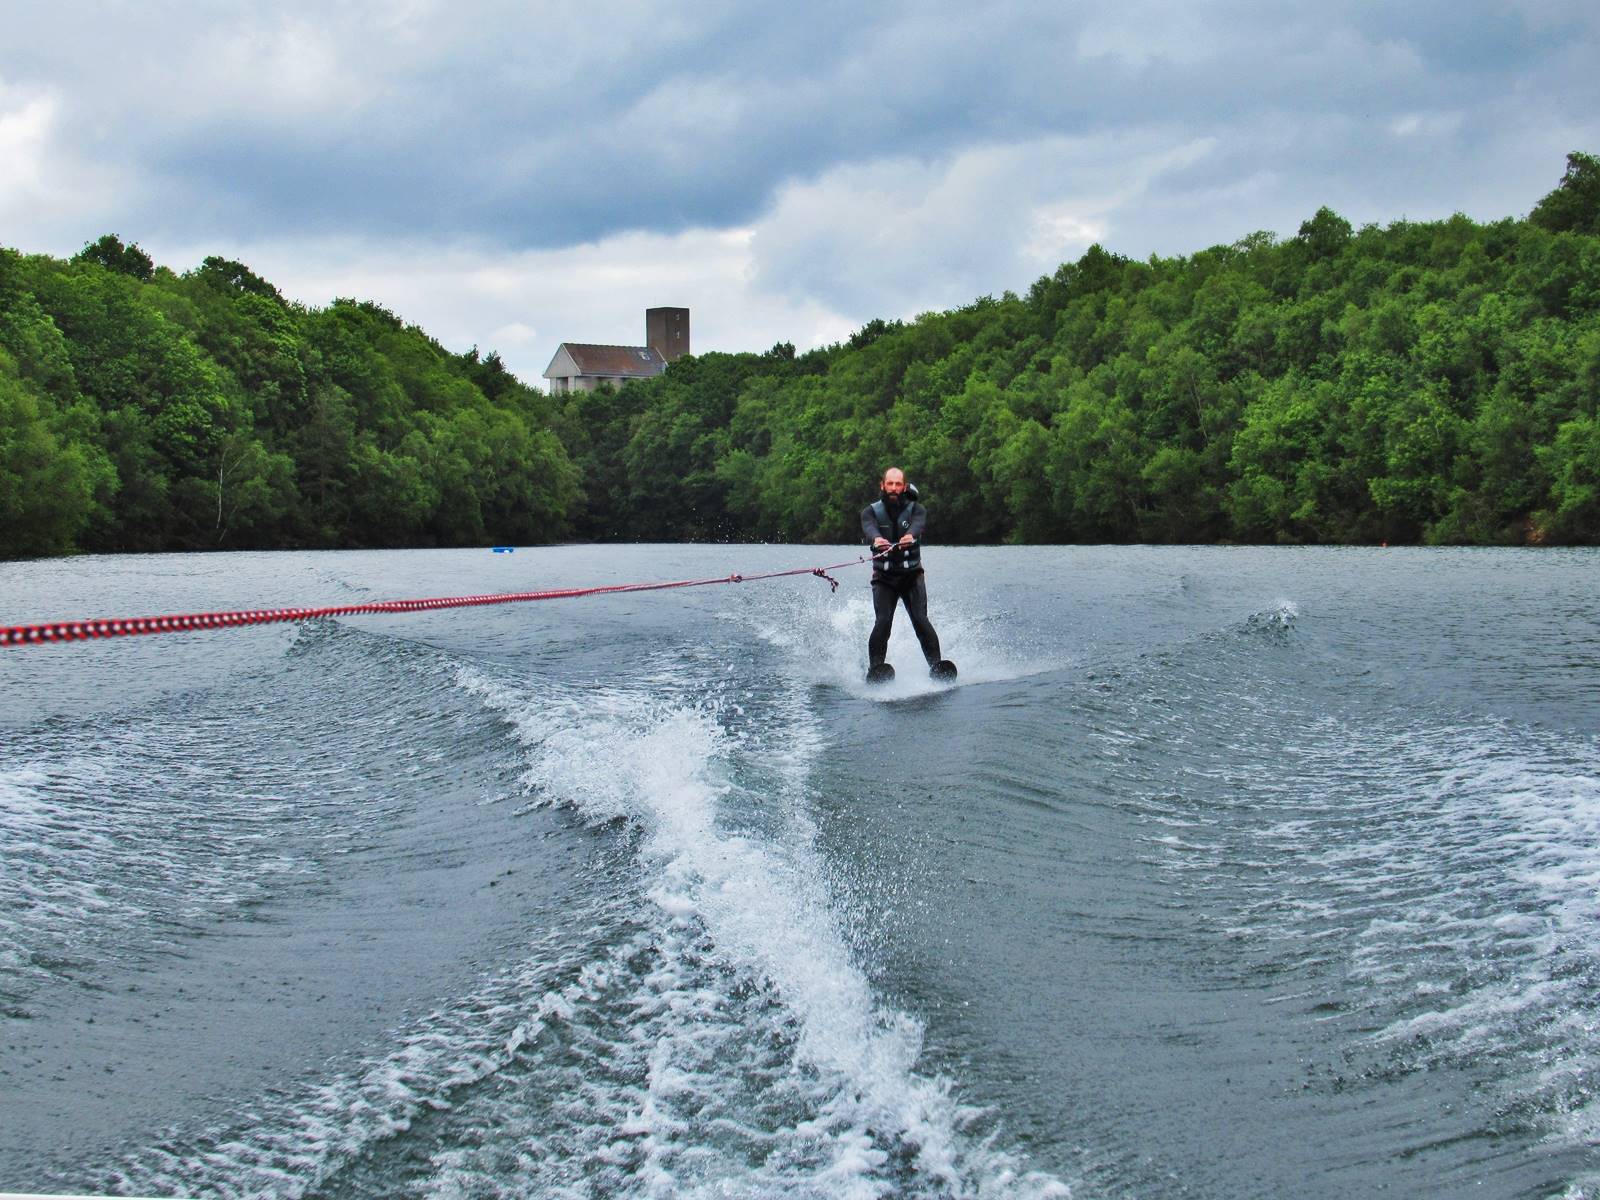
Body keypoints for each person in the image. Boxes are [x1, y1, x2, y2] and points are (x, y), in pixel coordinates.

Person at [861, 466, 943, 672]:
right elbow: (870, 528)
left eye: (898, 484)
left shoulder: (917, 509)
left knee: (920, 619)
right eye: (890, 483)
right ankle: (876, 669)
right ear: (883, 485)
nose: (894, 488)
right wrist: (877, 539)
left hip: (911, 576)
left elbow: (917, 524)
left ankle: (937, 666)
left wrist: (911, 536)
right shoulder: (869, 512)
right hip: (884, 578)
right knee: (883, 622)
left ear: (904, 487)